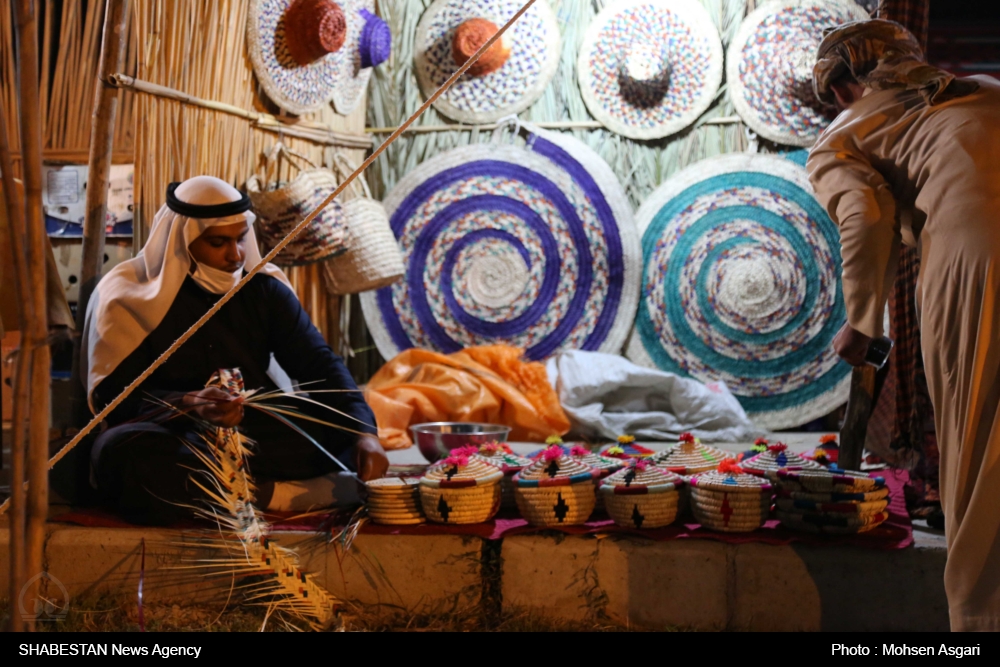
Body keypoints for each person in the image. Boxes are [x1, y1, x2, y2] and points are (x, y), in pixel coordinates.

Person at [807, 19, 1000, 632]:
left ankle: (977, 623)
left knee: (980, 449)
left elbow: (865, 213)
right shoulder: (984, 87)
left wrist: (861, 323)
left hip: (978, 257)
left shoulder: (847, 131)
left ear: (842, 89)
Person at [82, 176, 388, 524]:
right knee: (122, 452)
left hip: (254, 431)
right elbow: (116, 399)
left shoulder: (263, 289)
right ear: (183, 241)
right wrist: (189, 403)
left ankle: (231, 494)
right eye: (218, 242)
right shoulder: (129, 295)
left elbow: (319, 365)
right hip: (178, 434)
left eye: (241, 239)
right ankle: (274, 495)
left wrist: (364, 434)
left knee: (332, 427)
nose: (236, 255)